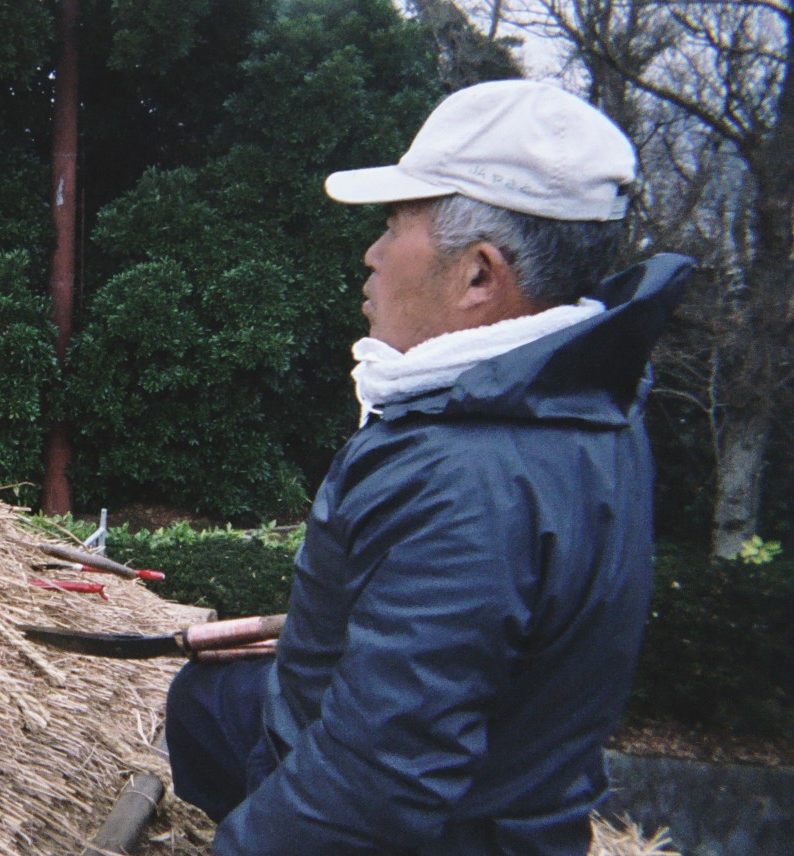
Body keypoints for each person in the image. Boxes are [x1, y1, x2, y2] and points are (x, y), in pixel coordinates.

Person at [164, 80, 692, 854]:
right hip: (515, 799)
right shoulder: (586, 407)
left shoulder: (466, 480)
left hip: (460, 835)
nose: (372, 256)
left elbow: (374, 789)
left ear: (479, 276)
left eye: (391, 227)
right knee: (211, 699)